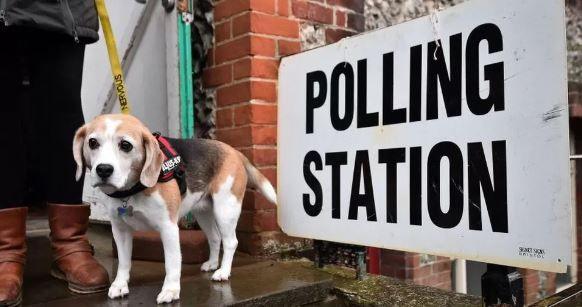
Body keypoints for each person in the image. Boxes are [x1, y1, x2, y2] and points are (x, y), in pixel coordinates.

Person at [0, 1, 109, 306]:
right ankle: (6, 251)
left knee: (62, 110)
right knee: (3, 116)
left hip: (64, 9)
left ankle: (69, 242)